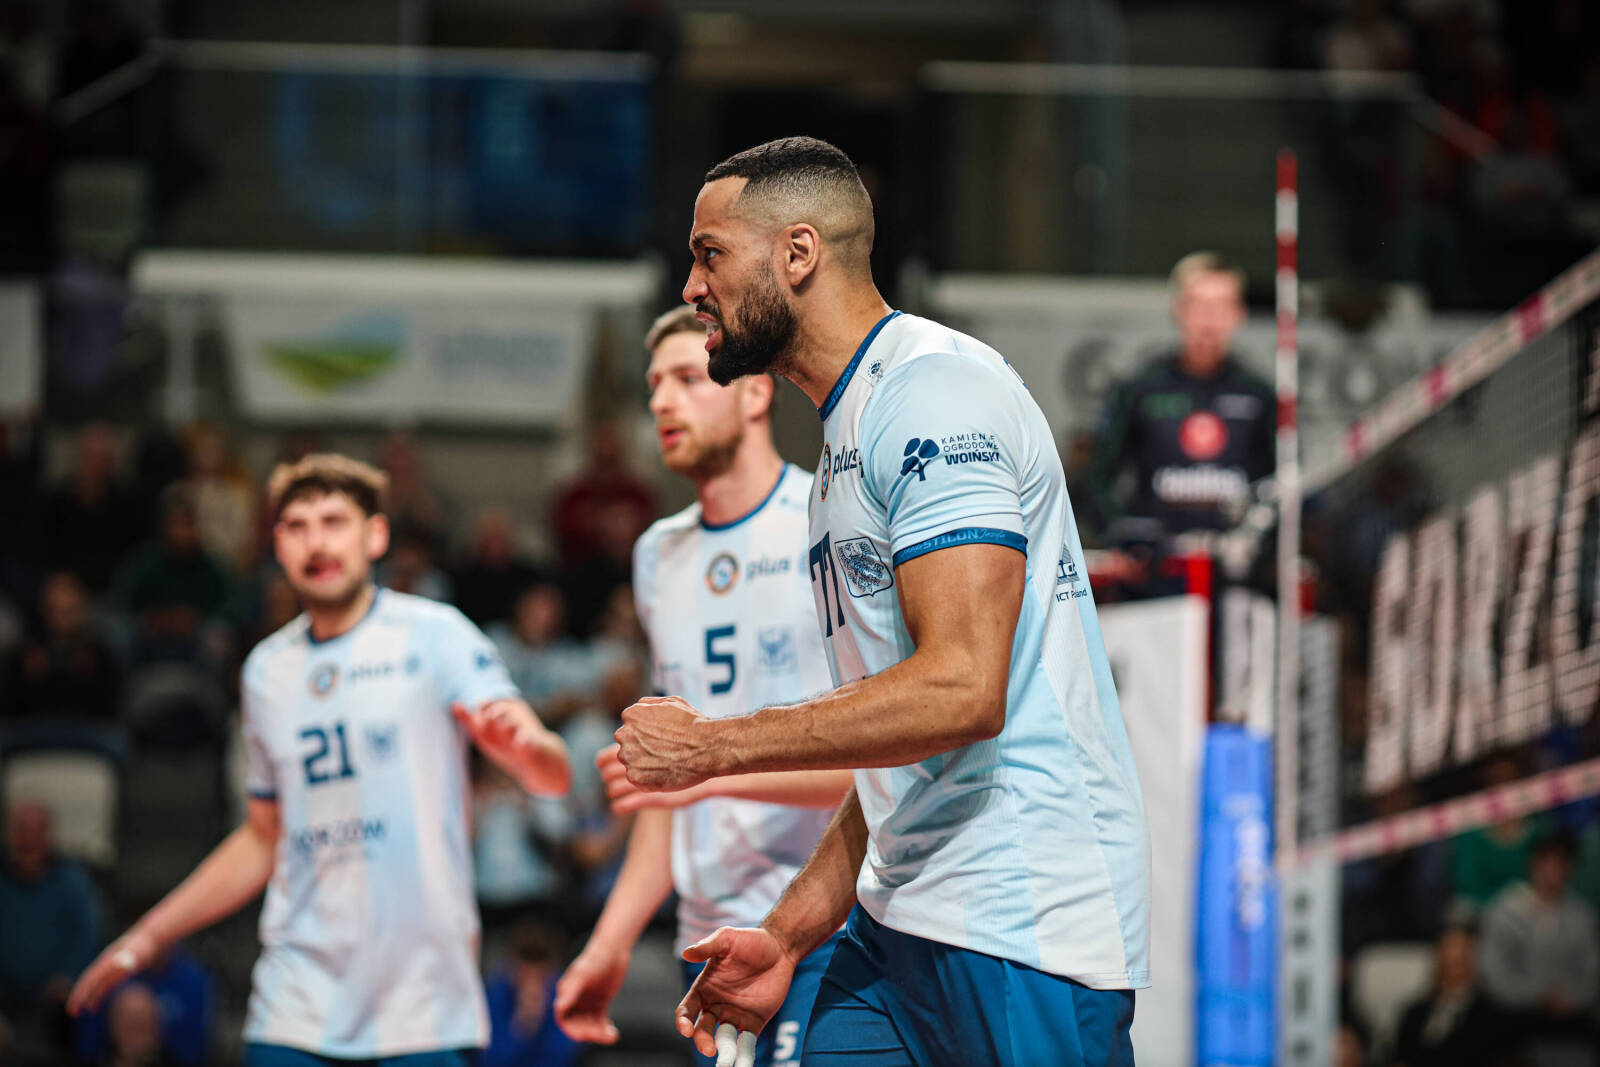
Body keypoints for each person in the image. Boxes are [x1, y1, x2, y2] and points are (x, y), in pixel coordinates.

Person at [613, 137, 1149, 1066]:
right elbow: (895, 760)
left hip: (1021, 919)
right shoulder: (842, 445)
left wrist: (711, 746)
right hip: (895, 922)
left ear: (798, 253)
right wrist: (786, 934)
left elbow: (962, 690)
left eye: (710, 255)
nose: (693, 287)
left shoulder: (935, 393)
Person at [67, 453, 573, 1067]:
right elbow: (263, 836)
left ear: (375, 536)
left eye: (334, 522)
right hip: (296, 999)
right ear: (277, 545)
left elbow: (550, 773)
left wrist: (527, 749)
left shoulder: (436, 634)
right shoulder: (266, 671)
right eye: (297, 526)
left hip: (421, 1002)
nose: (316, 542)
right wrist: (148, 936)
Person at [555, 306, 853, 1067]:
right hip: (710, 944)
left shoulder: (825, 518)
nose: (662, 400)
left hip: (825, 928)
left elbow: (877, 759)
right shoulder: (658, 553)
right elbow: (668, 794)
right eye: (654, 384)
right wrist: (609, 942)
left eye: (689, 378)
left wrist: (704, 768)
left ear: (755, 392)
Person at [1087, 252, 1275, 544]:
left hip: (1238, 560)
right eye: (1198, 305)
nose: (1209, 319)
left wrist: (1261, 543)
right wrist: (1123, 538)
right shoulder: (1139, 389)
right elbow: (1096, 479)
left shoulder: (1259, 395)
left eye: (1221, 306)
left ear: (1239, 313)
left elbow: (1284, 486)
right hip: (1155, 562)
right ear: (1178, 310)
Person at [1479, 832, 1600, 1065]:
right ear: (1532, 864)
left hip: (1570, 1028)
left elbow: (1593, 972)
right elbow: (1494, 975)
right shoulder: (1504, 911)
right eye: (1546, 861)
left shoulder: (1583, 916)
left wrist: (1570, 998)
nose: (1553, 870)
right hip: (1514, 1026)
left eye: (1561, 863)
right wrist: (1538, 995)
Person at [0, 800, 102, 1051]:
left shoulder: (72, 881)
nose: (28, 840)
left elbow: (88, 934)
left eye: (35, 832)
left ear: (48, 835)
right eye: (22, 831)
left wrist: (68, 975)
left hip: (57, 1000)